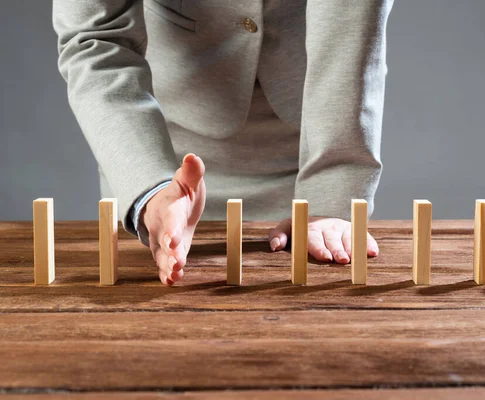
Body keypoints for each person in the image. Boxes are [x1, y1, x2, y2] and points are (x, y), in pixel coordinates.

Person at [52, 0, 393, 285]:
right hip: (158, 150)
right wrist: (149, 189)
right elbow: (95, 39)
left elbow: (350, 21)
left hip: (311, 147)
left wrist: (330, 196)